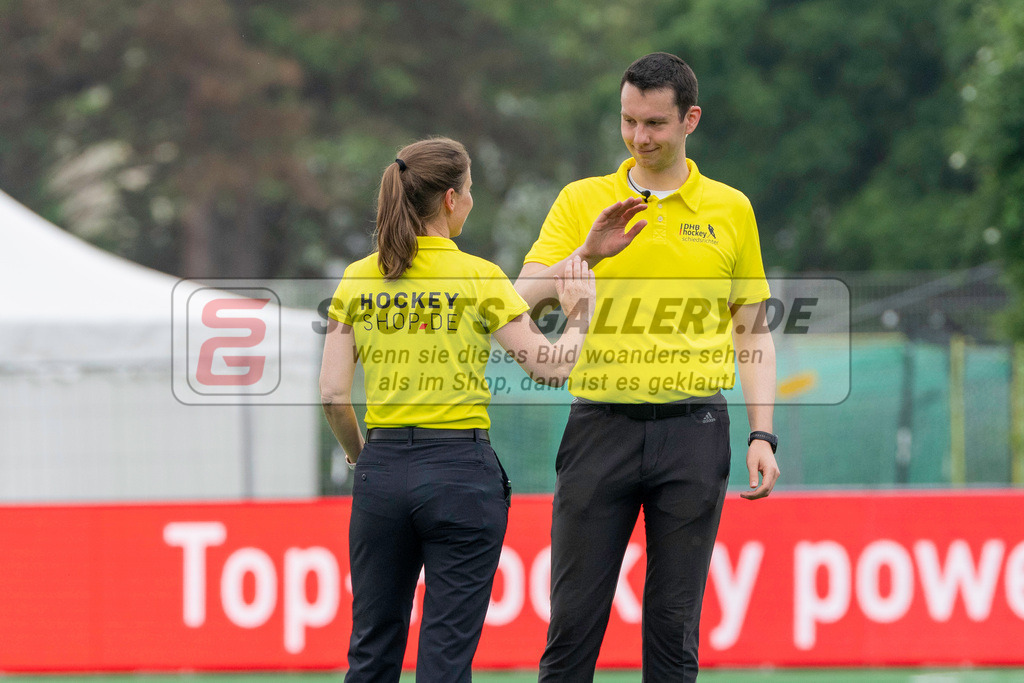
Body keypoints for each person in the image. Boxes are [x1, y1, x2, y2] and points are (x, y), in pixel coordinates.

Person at [514, 53, 781, 681]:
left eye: (656, 123)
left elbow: (753, 332)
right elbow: (518, 298)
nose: (640, 137)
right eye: (629, 121)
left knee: (673, 626)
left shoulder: (731, 209)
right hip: (598, 427)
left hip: (694, 432)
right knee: (574, 622)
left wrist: (762, 432)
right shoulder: (583, 200)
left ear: (690, 119)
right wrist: (587, 253)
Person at [319, 137, 596, 683]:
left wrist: (363, 459)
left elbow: (332, 395)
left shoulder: (358, 278)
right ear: (450, 198)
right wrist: (580, 315)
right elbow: (551, 368)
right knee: (445, 658)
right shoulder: (480, 278)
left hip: (383, 469)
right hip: (460, 475)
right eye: (469, 192)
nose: (471, 202)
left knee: (371, 652)